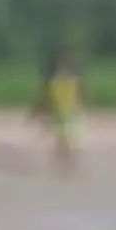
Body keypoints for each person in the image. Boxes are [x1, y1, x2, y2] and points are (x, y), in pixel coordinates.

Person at [33, 49, 85, 177]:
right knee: (62, 141)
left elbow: (77, 97)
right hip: (60, 114)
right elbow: (48, 99)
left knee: (64, 141)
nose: (63, 71)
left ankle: (65, 165)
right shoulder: (57, 83)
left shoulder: (70, 82)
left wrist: (78, 107)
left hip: (66, 114)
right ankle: (64, 165)